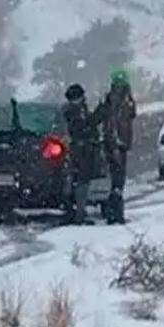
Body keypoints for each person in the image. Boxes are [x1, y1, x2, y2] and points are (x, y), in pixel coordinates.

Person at [95, 68, 137, 224]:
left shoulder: (109, 100)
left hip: (111, 143)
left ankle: (112, 211)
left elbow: (98, 118)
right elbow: (130, 116)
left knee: (113, 178)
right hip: (119, 145)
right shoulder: (127, 100)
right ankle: (115, 213)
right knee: (117, 180)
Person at [61, 83, 98, 225]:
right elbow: (84, 128)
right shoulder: (75, 112)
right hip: (80, 152)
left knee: (75, 181)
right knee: (81, 181)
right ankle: (78, 212)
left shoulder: (70, 111)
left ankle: (74, 211)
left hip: (78, 151)